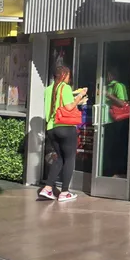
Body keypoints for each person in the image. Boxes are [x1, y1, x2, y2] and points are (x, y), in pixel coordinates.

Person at [38, 65, 87, 202]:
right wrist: (80, 96)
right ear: (64, 75)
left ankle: (47, 188)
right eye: (68, 75)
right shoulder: (65, 88)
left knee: (59, 158)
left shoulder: (48, 90)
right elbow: (69, 107)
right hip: (65, 127)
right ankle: (65, 192)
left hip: (51, 128)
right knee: (70, 158)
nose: (69, 78)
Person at [104, 68, 130, 178]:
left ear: (112, 75)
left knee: (116, 147)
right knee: (109, 148)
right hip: (107, 122)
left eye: (108, 75)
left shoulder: (118, 86)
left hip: (117, 122)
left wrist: (108, 95)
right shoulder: (107, 86)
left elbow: (123, 103)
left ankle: (118, 171)